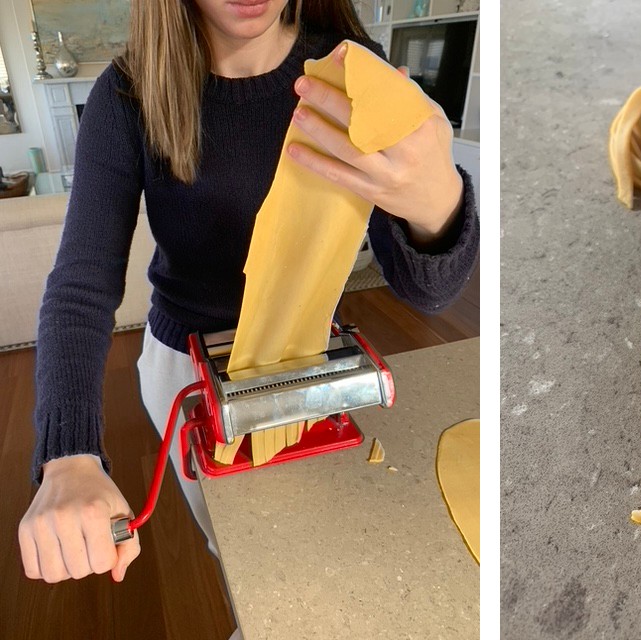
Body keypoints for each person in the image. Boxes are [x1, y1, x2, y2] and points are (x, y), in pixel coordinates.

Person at [18, 0, 478, 603]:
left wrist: (437, 201)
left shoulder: (351, 72)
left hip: (311, 360)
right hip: (185, 369)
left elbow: (427, 291)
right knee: (253, 565)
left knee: (328, 550)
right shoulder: (129, 94)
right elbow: (81, 287)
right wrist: (69, 456)